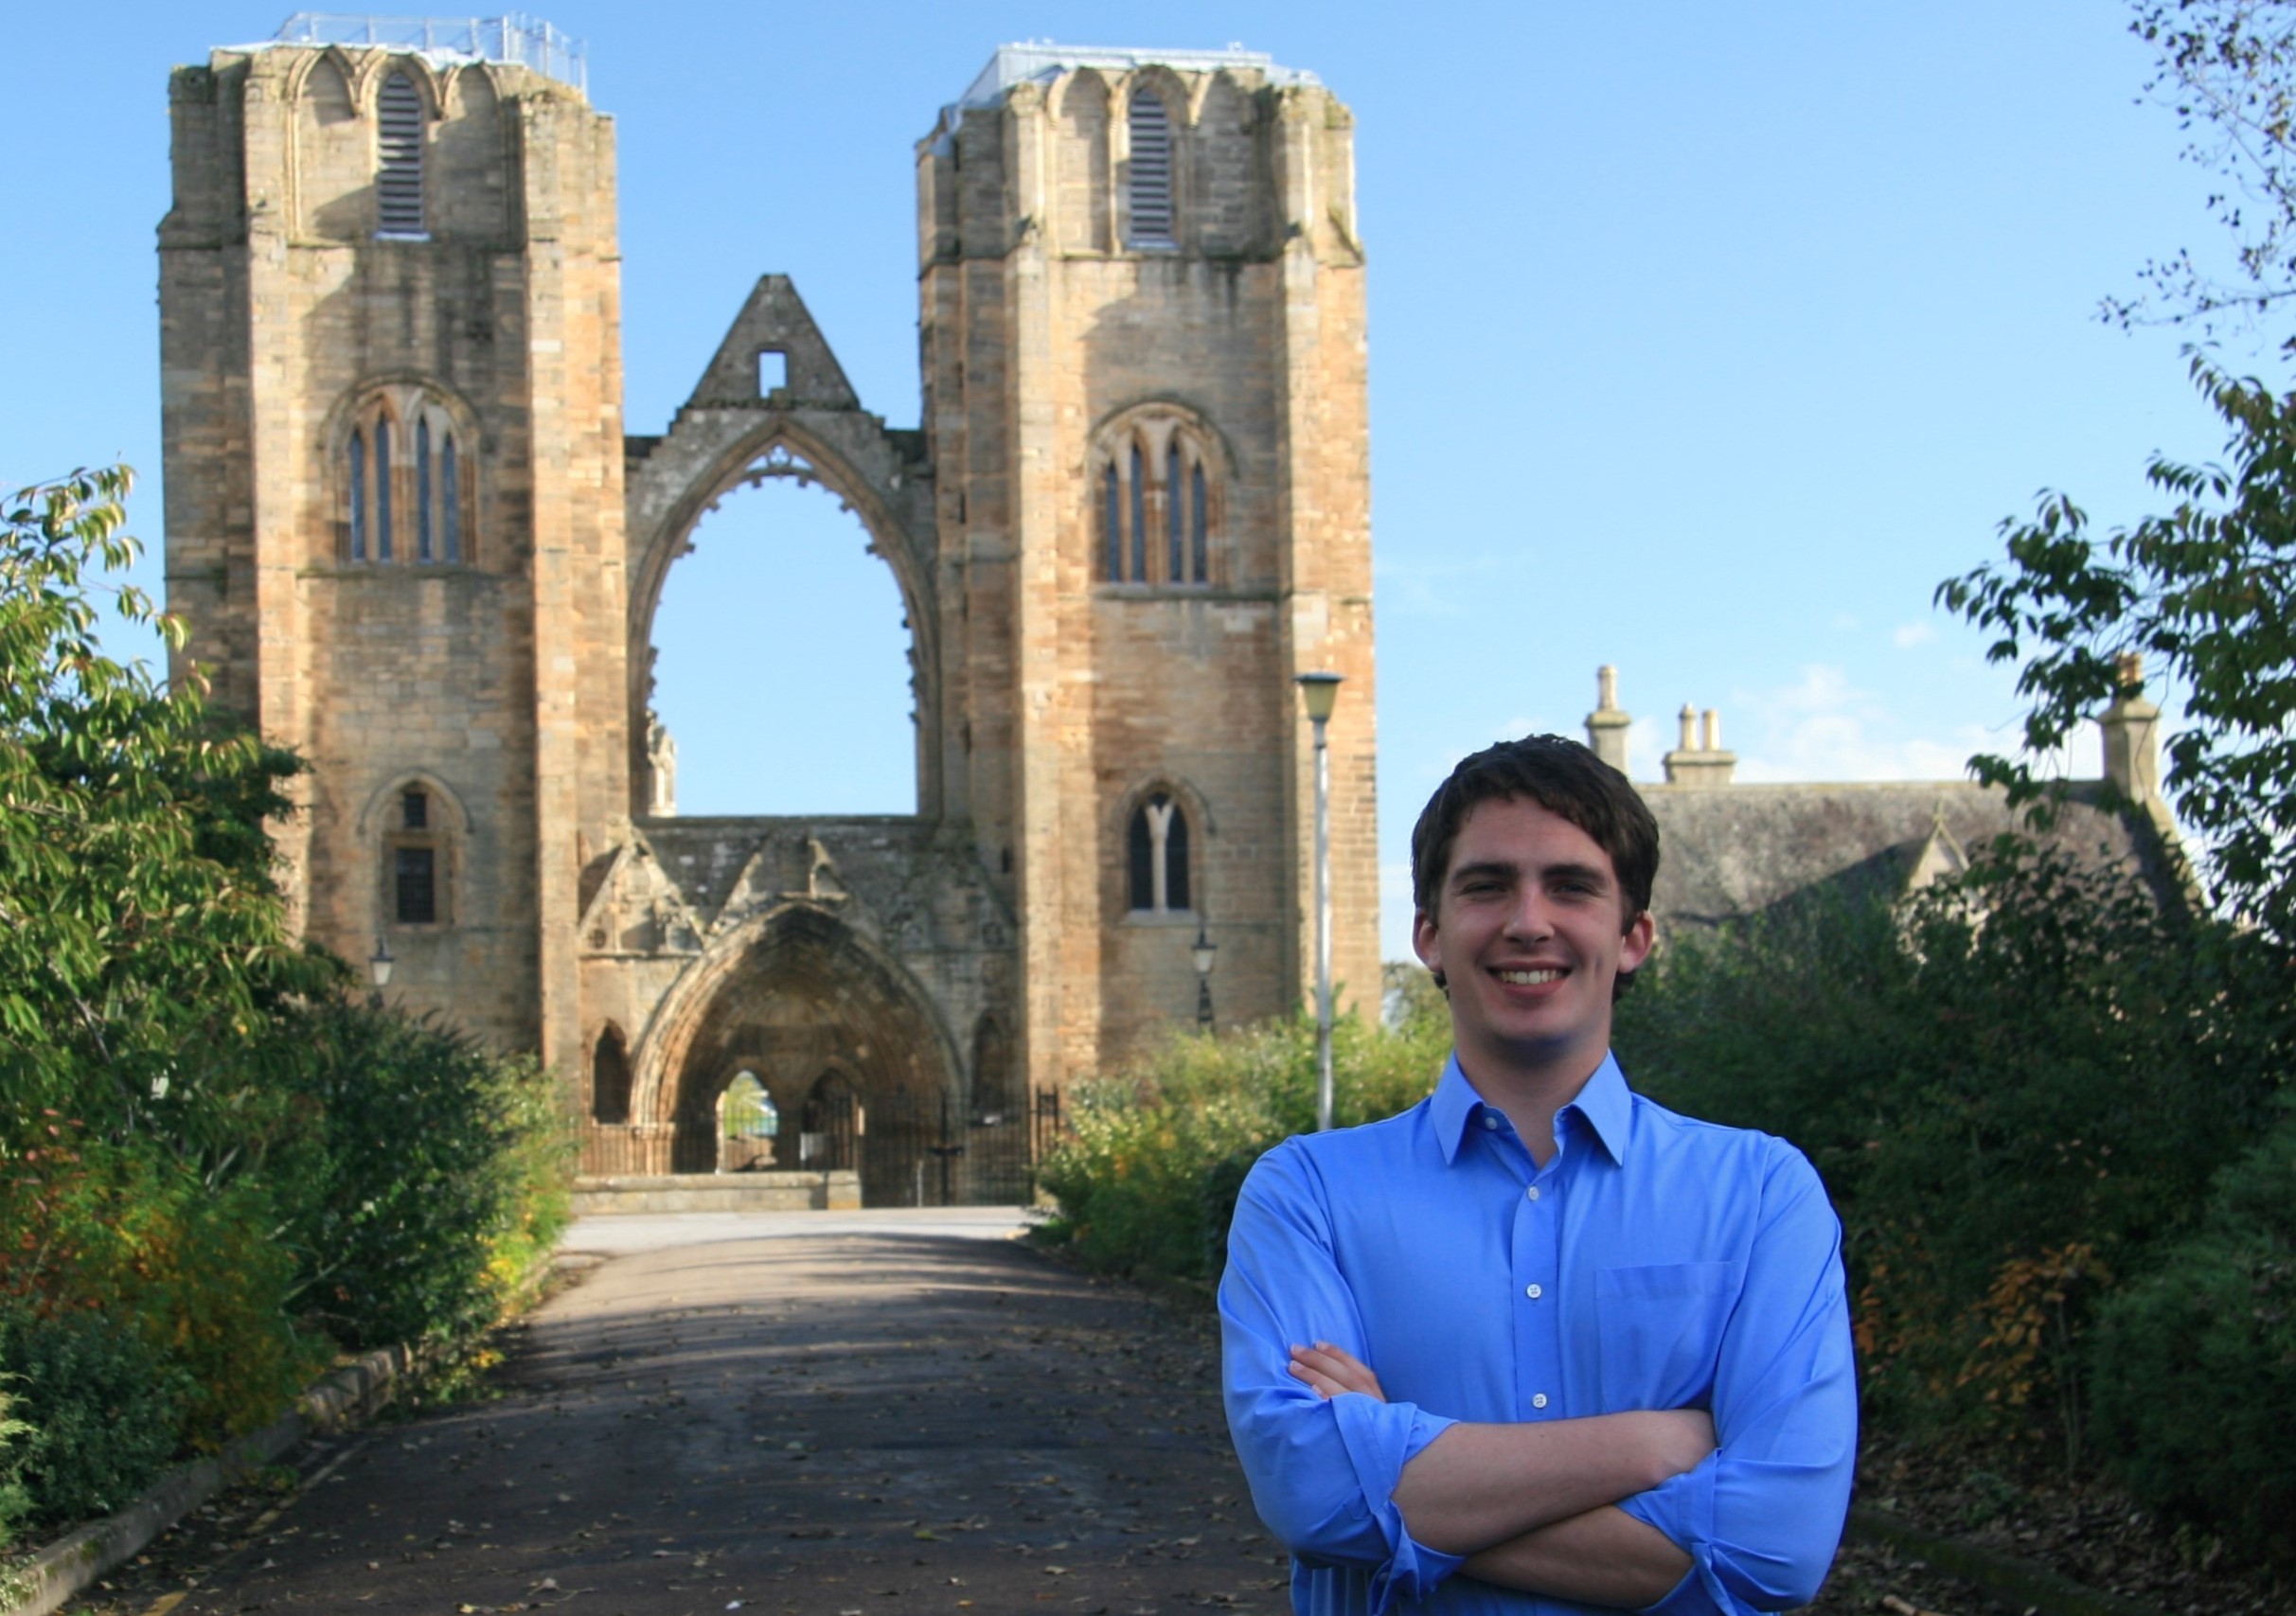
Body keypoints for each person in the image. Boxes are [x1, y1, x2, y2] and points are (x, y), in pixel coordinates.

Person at [1219, 736, 1856, 1615]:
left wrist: (1393, 1471)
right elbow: (1309, 1493)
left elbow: (1774, 1550)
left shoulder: (1759, 1195)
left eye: (1570, 885)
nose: (1527, 920)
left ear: (1632, 937)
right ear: (1428, 936)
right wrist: (1653, 1445)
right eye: (1486, 885)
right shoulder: (1306, 1196)